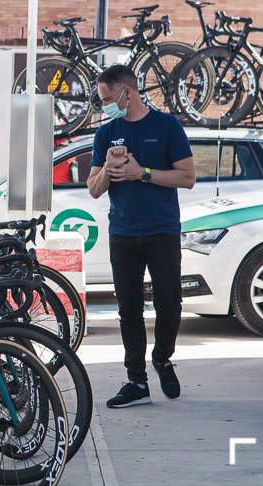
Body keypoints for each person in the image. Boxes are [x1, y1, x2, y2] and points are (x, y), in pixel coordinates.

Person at [86, 64, 196, 408]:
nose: (103, 105)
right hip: (122, 234)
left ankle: (162, 358)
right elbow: (93, 189)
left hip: (162, 231)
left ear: (126, 93)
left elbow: (187, 177)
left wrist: (141, 173)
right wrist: (108, 167)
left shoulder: (166, 126)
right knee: (128, 310)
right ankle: (136, 381)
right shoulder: (107, 134)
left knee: (169, 305)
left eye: (106, 98)